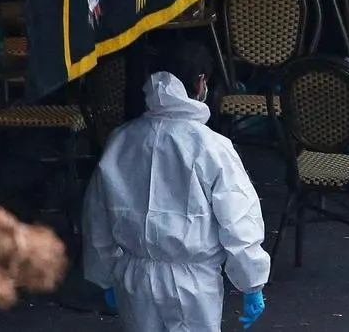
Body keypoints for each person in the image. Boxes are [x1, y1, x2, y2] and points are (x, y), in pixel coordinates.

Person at [83, 41, 269, 330]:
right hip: (192, 286)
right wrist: (251, 281)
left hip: (134, 280)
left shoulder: (121, 141)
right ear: (200, 83)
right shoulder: (211, 147)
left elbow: (97, 217)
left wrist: (104, 273)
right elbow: (238, 220)